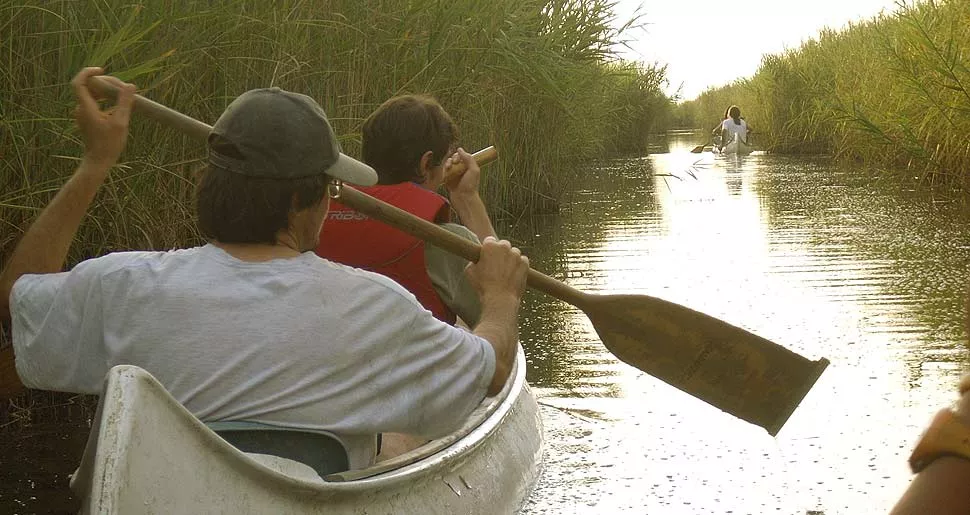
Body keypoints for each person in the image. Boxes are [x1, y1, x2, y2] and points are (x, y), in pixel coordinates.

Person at [0, 68, 529, 470]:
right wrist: (502, 299)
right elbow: (492, 370)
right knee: (395, 440)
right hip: (320, 479)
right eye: (327, 189)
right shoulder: (378, 306)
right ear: (305, 199)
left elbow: (15, 299)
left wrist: (94, 164)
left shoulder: (119, 283)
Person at [317, 95, 495, 326]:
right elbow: (500, 307)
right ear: (425, 163)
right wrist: (468, 198)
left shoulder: (312, 221)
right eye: (443, 163)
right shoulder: (446, 242)